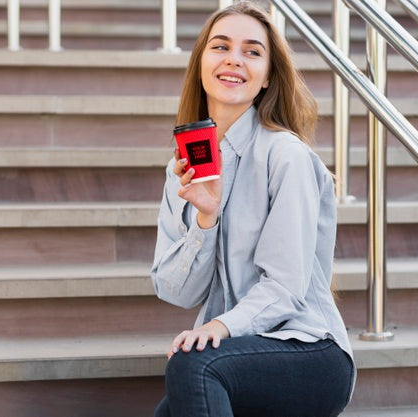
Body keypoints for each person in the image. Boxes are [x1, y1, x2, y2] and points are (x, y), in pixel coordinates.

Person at [150, 2, 355, 416]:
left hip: (310, 352)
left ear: (266, 78)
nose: (234, 60)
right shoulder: (184, 170)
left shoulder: (286, 157)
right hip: (238, 354)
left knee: (194, 366)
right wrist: (205, 222)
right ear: (202, 64)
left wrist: (219, 326)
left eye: (252, 51)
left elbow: (283, 288)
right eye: (220, 46)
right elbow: (175, 290)